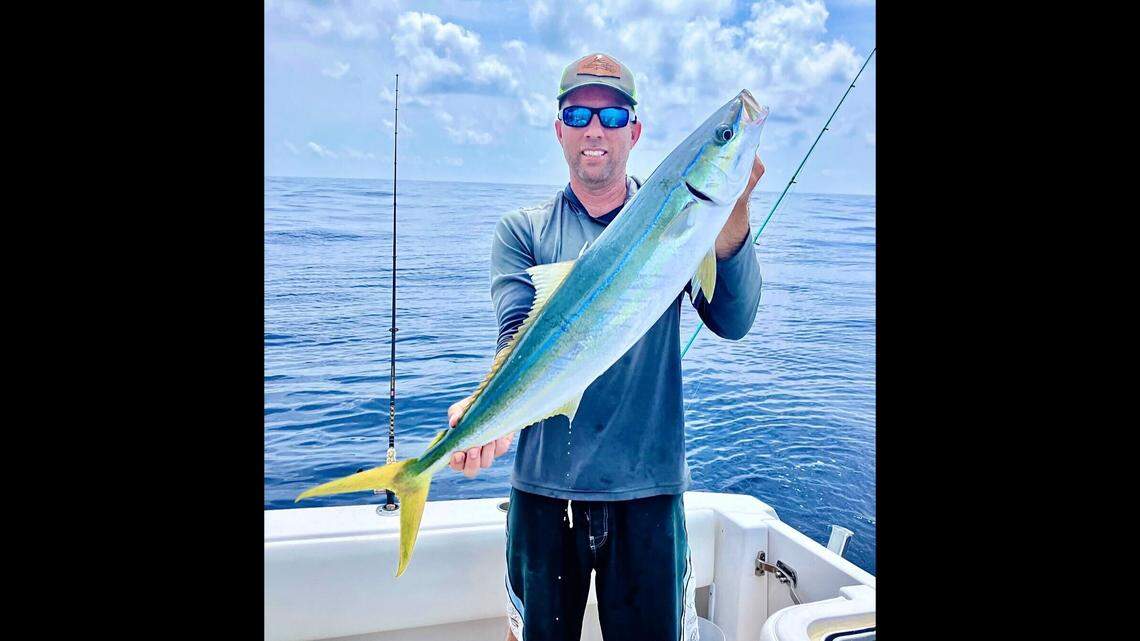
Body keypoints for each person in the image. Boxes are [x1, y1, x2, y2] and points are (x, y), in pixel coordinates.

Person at [446, 53, 765, 641]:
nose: (596, 128)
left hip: (648, 490)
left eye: (613, 115)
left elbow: (733, 319)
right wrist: (486, 409)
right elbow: (515, 333)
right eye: (579, 114)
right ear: (559, 129)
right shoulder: (524, 230)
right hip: (543, 490)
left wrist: (734, 212)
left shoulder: (682, 216)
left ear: (635, 131)